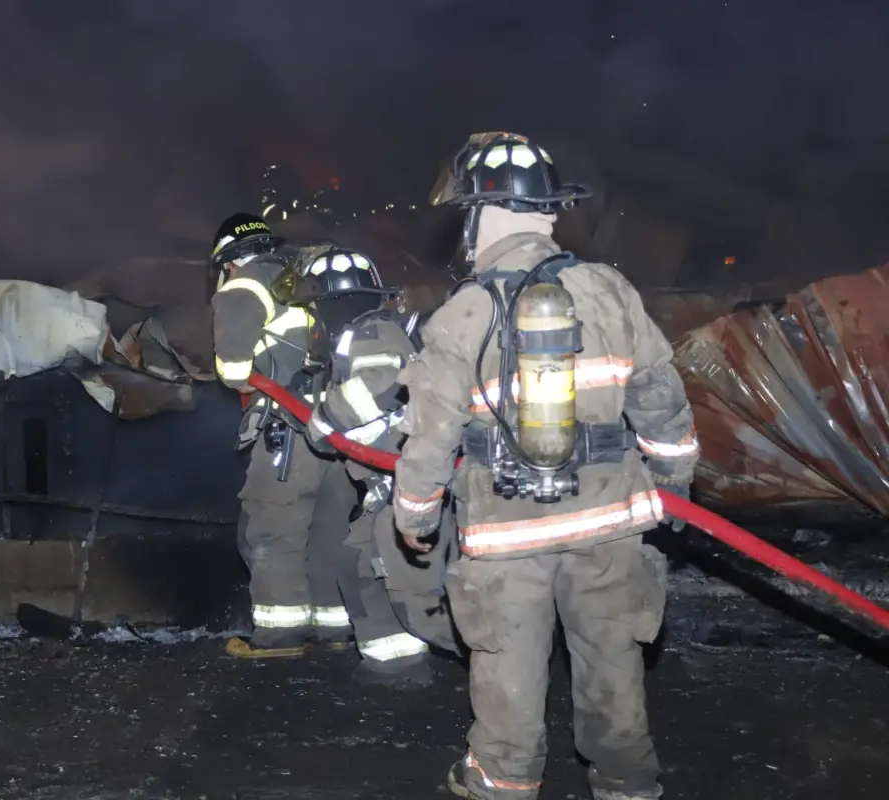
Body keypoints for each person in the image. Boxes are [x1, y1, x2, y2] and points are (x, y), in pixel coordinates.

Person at [393, 133, 699, 800]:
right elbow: (661, 399)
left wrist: (413, 514)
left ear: (480, 216)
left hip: (506, 537)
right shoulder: (610, 291)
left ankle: (502, 779)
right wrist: (674, 481)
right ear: (550, 212)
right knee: (613, 662)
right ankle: (626, 781)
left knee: (508, 665)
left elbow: (428, 438)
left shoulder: (462, 313)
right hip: (610, 523)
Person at [264, 246, 460, 687]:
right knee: (359, 561)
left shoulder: (370, 332)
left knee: (381, 569)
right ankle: (394, 665)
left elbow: (379, 384)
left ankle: (409, 663)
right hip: (390, 481)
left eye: (316, 304)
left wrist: (325, 418)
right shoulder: (361, 333)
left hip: (403, 478)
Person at [209, 212, 358, 657]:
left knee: (273, 531)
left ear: (227, 261)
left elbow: (234, 372)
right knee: (329, 531)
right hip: (338, 429)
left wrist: (245, 376)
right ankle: (334, 630)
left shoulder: (242, 286)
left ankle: (279, 637)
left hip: (287, 434)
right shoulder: (305, 278)